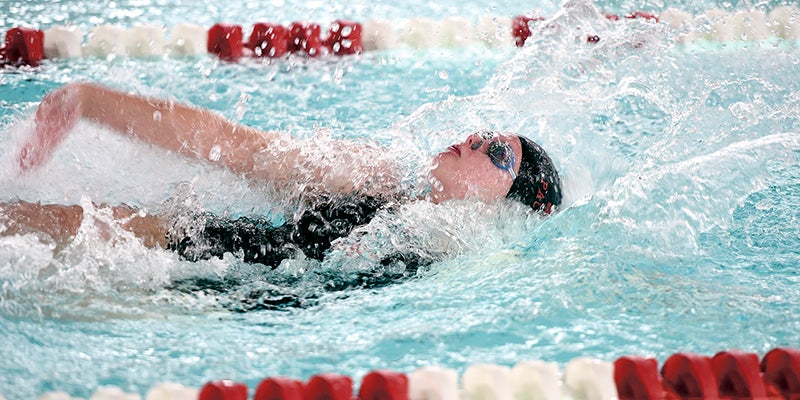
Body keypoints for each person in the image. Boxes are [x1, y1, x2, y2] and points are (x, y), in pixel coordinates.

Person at [1, 82, 562, 306]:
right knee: (97, 223)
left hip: (219, 311)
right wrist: (91, 102)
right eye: (484, 135)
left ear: (506, 207)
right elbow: (237, 147)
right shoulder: (375, 175)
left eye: (497, 155)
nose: (473, 140)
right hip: (209, 256)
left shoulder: (475, 261)